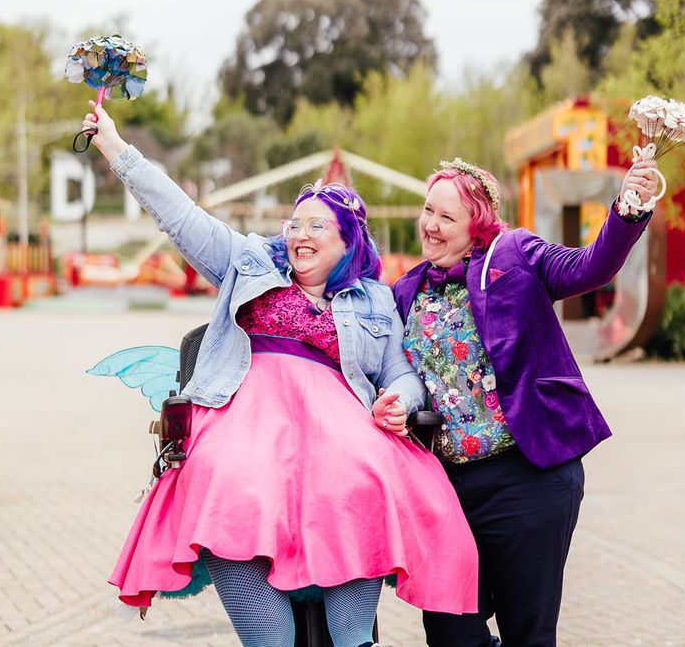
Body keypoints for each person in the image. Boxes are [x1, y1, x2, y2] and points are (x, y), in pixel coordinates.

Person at [81, 104, 479, 647]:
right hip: (248, 428)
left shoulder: (375, 301)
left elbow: (401, 373)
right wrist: (115, 149)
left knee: (366, 479)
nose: (301, 235)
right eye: (296, 224)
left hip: (340, 438)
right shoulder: (247, 262)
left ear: (347, 243)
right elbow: (180, 214)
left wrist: (399, 401)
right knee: (220, 476)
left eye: (319, 226)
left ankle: (354, 635)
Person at [392, 157, 660, 647]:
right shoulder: (406, 291)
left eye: (447, 218)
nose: (430, 225)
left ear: (476, 227)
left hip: (527, 477)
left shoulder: (512, 254)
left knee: (527, 632)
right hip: (446, 487)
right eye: (428, 210)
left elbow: (590, 266)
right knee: (450, 629)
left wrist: (627, 208)